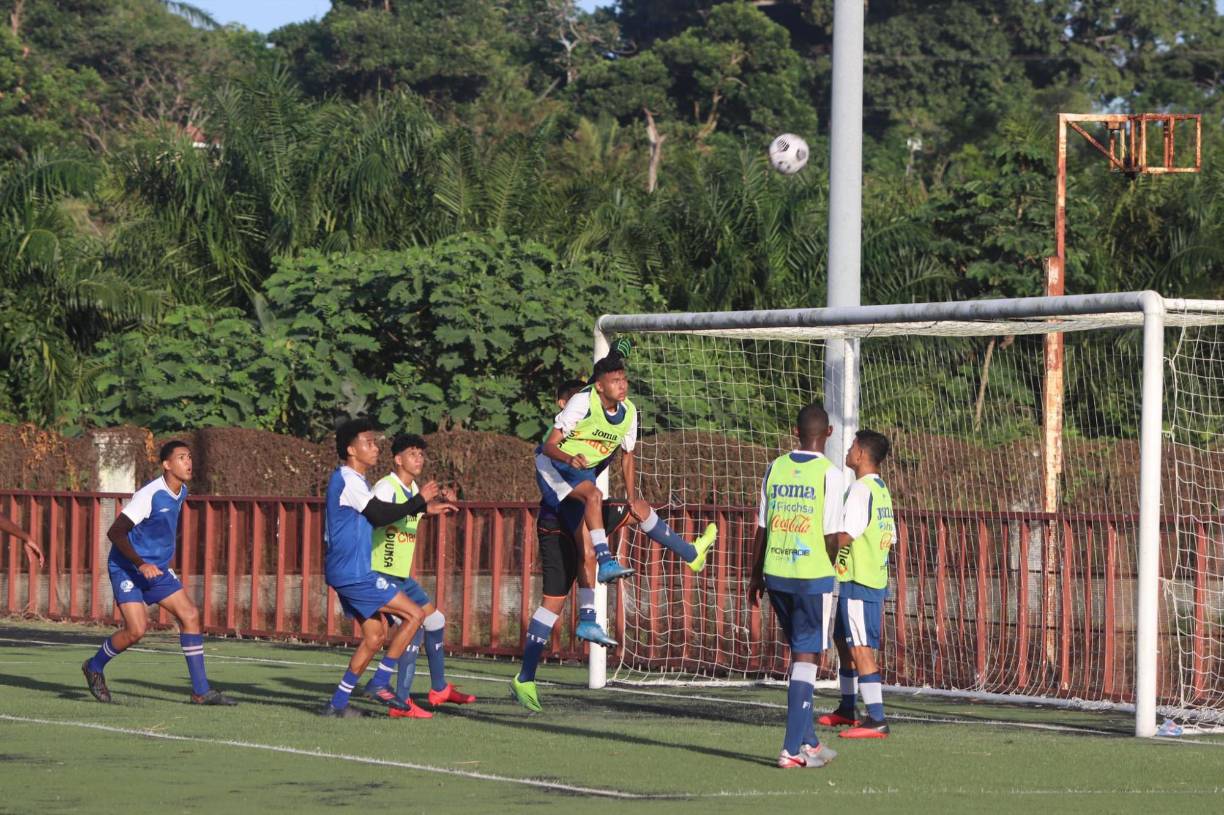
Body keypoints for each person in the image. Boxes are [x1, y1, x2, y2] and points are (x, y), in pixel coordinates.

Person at [535, 350, 717, 586]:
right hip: (553, 469)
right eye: (615, 381)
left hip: (580, 479)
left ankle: (691, 554)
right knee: (592, 509)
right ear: (599, 386)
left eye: (624, 380)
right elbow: (548, 446)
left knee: (636, 507)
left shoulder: (629, 412)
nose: (622, 386)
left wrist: (631, 498)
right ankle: (606, 561)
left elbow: (628, 456)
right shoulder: (581, 402)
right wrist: (569, 459)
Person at [82, 441, 236, 706]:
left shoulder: (182, 491)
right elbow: (115, 532)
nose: (188, 462)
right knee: (136, 630)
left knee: (190, 615)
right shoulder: (149, 495)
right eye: (181, 458)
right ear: (166, 465)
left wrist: (157, 563)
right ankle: (94, 666)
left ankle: (201, 691)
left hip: (157, 570)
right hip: (128, 567)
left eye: (189, 457)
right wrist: (141, 563)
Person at [321, 418, 456, 718]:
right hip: (355, 573)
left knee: (374, 637)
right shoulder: (348, 478)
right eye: (368, 442)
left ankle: (336, 705)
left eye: (375, 442)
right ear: (350, 450)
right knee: (416, 614)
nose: (375, 447)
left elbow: (385, 513)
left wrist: (423, 507)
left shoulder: (355, 481)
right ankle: (381, 681)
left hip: (349, 571)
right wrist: (419, 501)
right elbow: (380, 515)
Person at [511, 378, 619, 712]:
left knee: (631, 516)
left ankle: (689, 552)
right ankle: (525, 677)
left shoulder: (596, 430)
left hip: (584, 518)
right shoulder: (553, 442)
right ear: (563, 406)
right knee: (552, 604)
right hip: (555, 525)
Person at [748, 404, 845, 769]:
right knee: (807, 658)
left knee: (800, 650)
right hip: (811, 575)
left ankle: (810, 742)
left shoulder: (774, 467)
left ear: (795, 431)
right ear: (830, 433)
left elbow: (762, 526)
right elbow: (832, 535)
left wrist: (755, 575)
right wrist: (831, 565)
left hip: (776, 572)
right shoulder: (831, 475)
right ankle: (791, 749)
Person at [366, 433, 474, 715]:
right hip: (381, 572)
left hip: (400, 575)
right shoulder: (386, 486)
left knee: (435, 620)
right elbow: (380, 516)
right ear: (397, 459)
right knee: (413, 623)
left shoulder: (411, 488)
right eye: (413, 453)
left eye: (421, 454)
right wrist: (420, 503)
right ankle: (400, 702)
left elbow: (408, 512)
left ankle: (439, 688)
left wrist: (431, 508)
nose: (419, 459)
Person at [820, 429, 896, 739]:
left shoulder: (861, 490)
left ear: (862, 454)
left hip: (860, 581)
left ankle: (876, 718)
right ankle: (848, 708)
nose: (849, 450)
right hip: (864, 577)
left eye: (852, 445)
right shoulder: (880, 489)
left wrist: (822, 552)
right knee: (842, 637)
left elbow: (844, 536)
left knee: (861, 648)